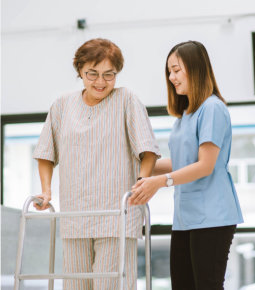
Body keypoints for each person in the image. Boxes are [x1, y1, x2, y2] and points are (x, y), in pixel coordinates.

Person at [33, 38, 160, 290]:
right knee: (76, 287)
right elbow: (46, 153)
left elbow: (148, 151)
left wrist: (141, 184)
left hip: (116, 217)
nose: (100, 82)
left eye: (109, 75)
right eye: (92, 74)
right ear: (79, 70)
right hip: (75, 215)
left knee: (111, 286)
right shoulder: (62, 105)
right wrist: (46, 191)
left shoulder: (127, 100)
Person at [129, 40, 244, 290]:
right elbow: (181, 163)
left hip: (213, 216)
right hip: (185, 217)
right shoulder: (185, 116)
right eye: (169, 71)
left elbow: (204, 165)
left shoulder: (212, 108)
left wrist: (159, 182)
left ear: (196, 68)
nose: (171, 77)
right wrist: (142, 163)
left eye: (177, 69)